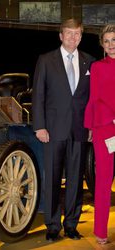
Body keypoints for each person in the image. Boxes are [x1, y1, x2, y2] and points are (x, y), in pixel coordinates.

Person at [32, 18, 95, 242]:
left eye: (77, 33)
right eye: (68, 33)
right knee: (53, 179)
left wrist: (91, 125)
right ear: (61, 36)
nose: (73, 37)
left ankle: (71, 225)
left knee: (76, 180)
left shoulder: (90, 61)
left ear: (81, 36)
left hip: (79, 130)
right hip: (52, 130)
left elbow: (92, 100)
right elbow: (38, 95)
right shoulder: (46, 60)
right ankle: (52, 225)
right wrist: (39, 125)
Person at [84, 24, 115, 245]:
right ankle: (100, 231)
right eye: (107, 41)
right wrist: (92, 128)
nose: (111, 45)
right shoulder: (97, 67)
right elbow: (94, 99)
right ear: (102, 45)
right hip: (105, 129)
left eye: (114, 40)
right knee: (103, 181)